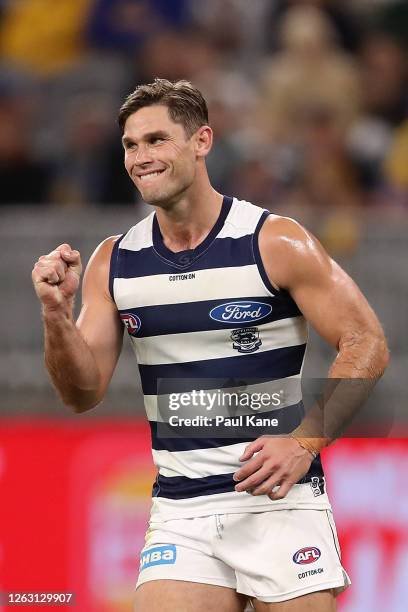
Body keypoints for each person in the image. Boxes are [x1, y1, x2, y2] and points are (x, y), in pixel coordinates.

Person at [32, 79, 388, 611]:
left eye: (156, 140)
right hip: (182, 512)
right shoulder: (115, 262)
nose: (140, 157)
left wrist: (306, 440)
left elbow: (367, 342)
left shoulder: (274, 241)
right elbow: (81, 393)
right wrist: (56, 316)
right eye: (130, 145)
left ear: (202, 141)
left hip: (279, 505)